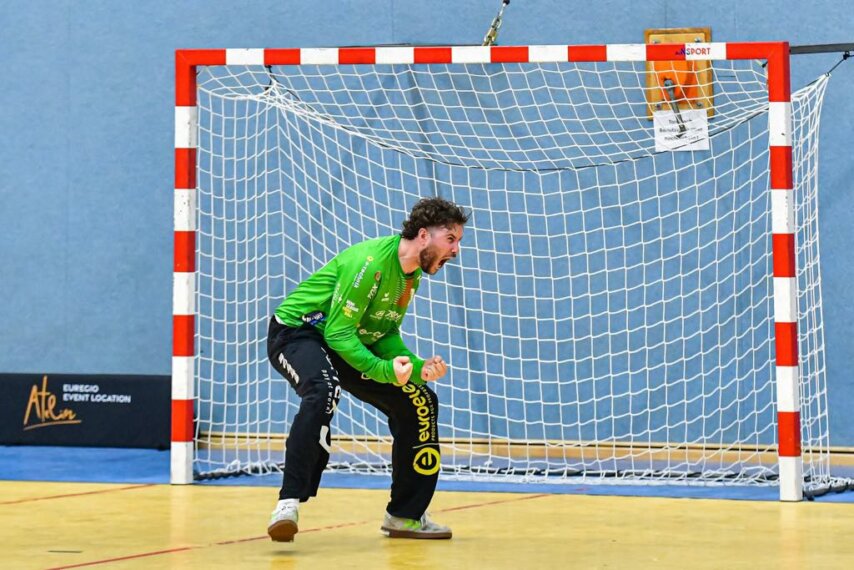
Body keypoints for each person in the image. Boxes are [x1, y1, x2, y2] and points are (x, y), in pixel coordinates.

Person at [266, 196, 469, 542]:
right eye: (451, 239)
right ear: (424, 235)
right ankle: (288, 503)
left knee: (421, 401)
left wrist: (417, 368)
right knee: (324, 389)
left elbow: (384, 332)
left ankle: (405, 516)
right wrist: (386, 370)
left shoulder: (410, 277)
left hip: (347, 339)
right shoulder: (371, 263)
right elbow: (337, 333)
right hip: (299, 333)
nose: (456, 250)